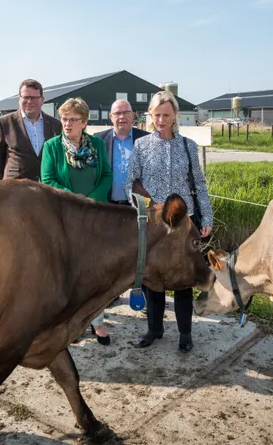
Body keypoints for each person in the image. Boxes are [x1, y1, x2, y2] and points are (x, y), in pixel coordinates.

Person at [124, 90, 213, 353]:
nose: (161, 120)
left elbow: (198, 183)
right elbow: (130, 182)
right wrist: (145, 207)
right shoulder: (141, 146)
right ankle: (154, 329)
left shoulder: (188, 146)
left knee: (183, 280)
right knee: (153, 278)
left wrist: (206, 216)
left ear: (175, 115)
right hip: (153, 225)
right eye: (157, 115)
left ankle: (185, 334)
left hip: (184, 224)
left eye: (166, 114)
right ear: (150, 116)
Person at [41, 98, 113, 345]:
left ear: (84, 122)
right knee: (69, 275)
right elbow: (48, 180)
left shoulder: (97, 145)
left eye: (73, 119)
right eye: (64, 119)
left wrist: (91, 201)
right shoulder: (52, 147)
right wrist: (77, 201)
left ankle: (98, 322)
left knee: (94, 274)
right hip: (65, 221)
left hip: (93, 220)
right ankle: (72, 324)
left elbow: (106, 175)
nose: (67, 124)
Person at [0, 79, 62, 182]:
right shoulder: (4, 123)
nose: (29, 101)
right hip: (15, 190)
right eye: (26, 97)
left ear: (42, 100)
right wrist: (6, 183)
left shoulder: (55, 124)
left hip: (46, 188)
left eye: (34, 98)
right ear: (19, 99)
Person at [94, 99, 149, 205]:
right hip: (108, 206)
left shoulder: (146, 139)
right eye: (117, 113)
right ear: (111, 117)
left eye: (126, 113)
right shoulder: (98, 140)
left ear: (133, 115)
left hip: (139, 207)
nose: (122, 117)